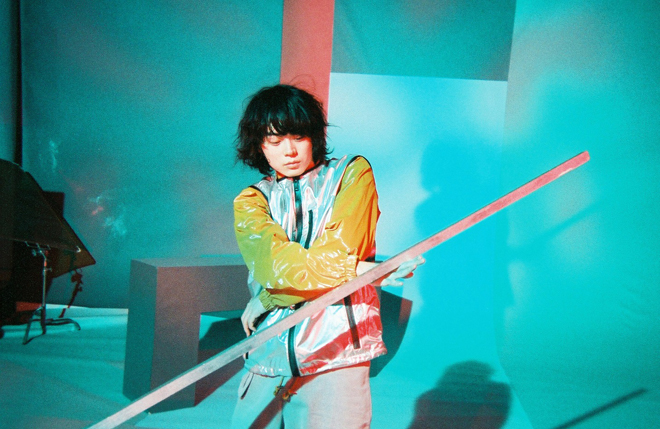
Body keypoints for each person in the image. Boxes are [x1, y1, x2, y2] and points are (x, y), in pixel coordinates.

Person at [231, 84, 423, 428]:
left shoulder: (351, 174)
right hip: (267, 352)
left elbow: (335, 257)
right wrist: (363, 271)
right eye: (275, 140)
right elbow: (277, 270)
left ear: (314, 135)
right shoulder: (252, 200)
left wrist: (268, 298)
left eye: (299, 136)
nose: (290, 150)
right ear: (259, 144)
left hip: (337, 352)